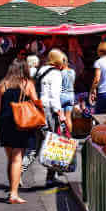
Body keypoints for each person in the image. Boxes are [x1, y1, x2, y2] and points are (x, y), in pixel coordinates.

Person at [0, 60, 36, 205]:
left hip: (5, 123)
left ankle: (12, 189)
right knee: (17, 159)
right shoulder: (28, 84)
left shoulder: (2, 84)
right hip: (21, 123)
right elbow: (36, 103)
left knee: (11, 158)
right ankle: (13, 193)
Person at [36, 49, 68, 187]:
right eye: (63, 60)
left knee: (39, 143)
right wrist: (60, 112)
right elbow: (54, 96)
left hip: (38, 107)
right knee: (52, 143)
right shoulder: (55, 74)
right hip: (49, 109)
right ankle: (51, 177)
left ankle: (19, 172)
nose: (64, 64)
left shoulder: (42, 70)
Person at [60, 55, 76, 137]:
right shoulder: (72, 72)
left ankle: (62, 138)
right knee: (68, 118)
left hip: (62, 96)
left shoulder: (60, 73)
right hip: (71, 95)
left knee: (61, 118)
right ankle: (69, 136)